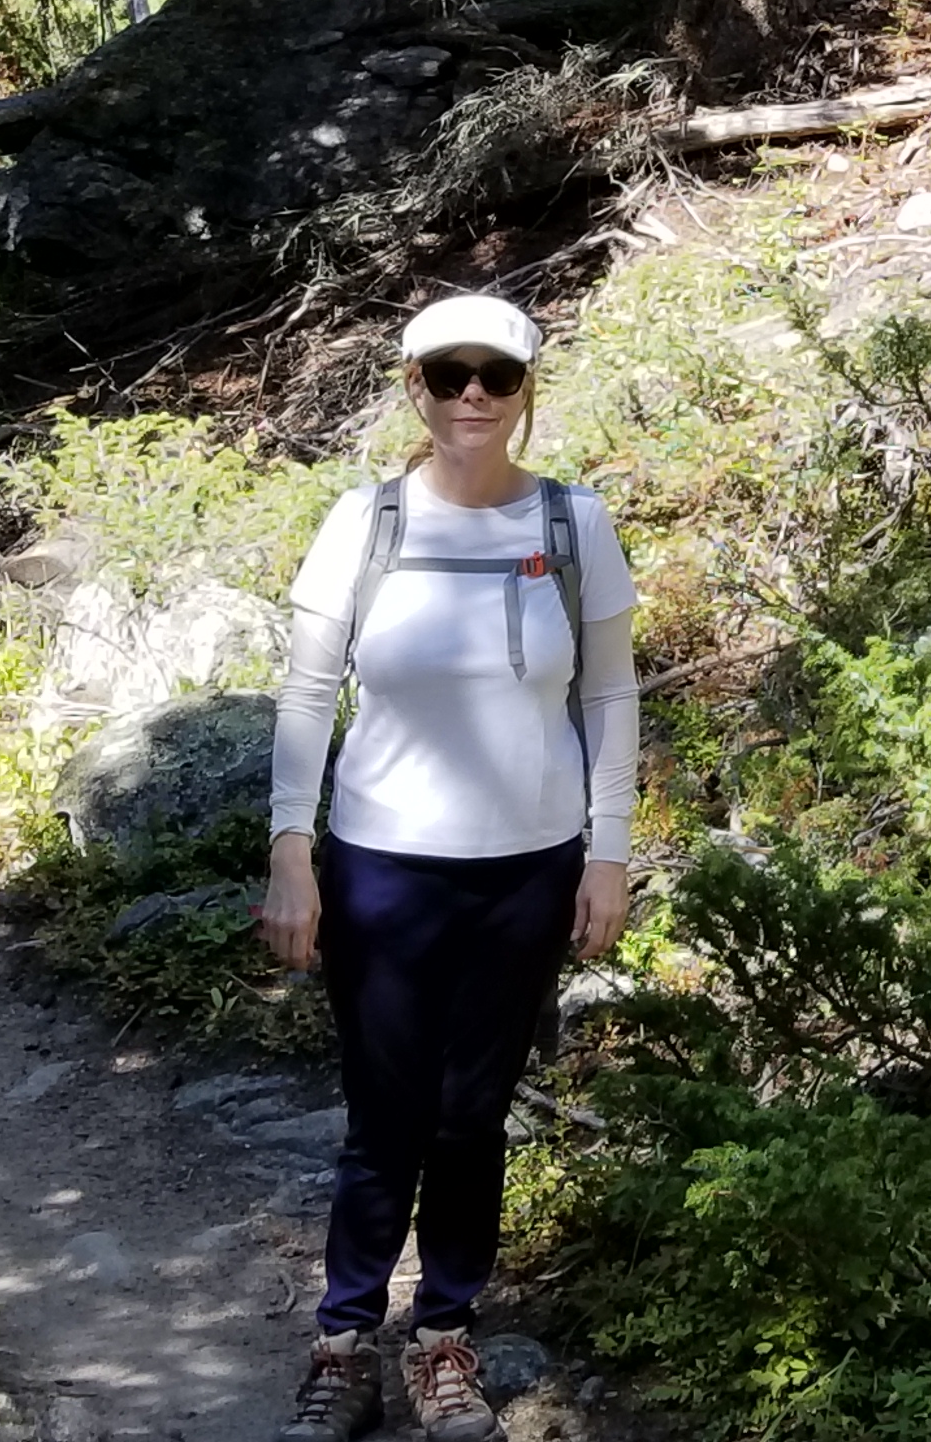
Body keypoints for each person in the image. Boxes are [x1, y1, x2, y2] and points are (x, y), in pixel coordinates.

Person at [259, 291, 638, 1442]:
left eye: (497, 376)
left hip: (528, 868)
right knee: (386, 1117)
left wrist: (609, 851)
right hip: (380, 865)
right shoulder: (364, 522)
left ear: (528, 390)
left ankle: (444, 1340)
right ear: (412, 386)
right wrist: (291, 849)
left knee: (473, 1119)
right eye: (447, 374)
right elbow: (308, 692)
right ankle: (343, 1343)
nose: (472, 395)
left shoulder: (573, 524)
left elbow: (611, 693)